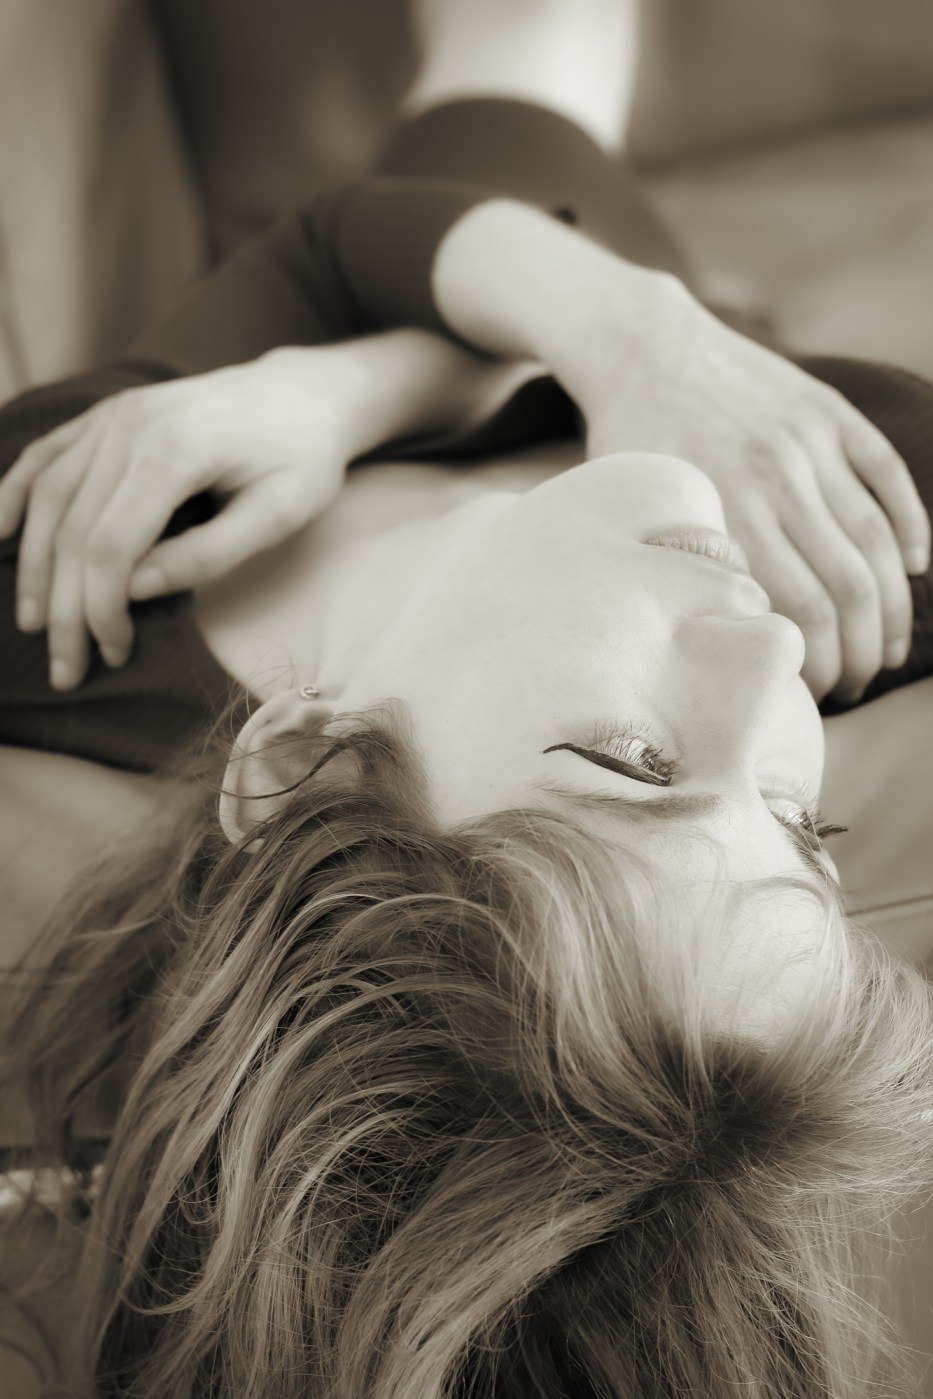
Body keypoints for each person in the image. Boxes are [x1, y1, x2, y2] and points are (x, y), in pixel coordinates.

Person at [3, 99, 933, 1396]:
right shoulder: (869, 546)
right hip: (620, 260)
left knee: (490, 96)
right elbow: (450, 218)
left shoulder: (65, 577)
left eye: (630, 761)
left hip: (518, 238)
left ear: (307, 767)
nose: (774, 654)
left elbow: (361, 239)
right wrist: (634, 329)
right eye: (799, 826)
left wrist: (366, 379)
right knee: (522, 96)